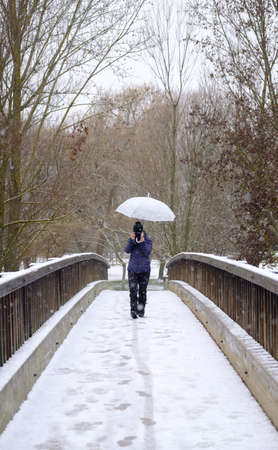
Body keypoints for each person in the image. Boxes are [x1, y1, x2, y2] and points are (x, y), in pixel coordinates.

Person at [125, 221, 152, 319]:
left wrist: (142, 242)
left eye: (138, 231)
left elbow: (147, 252)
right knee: (133, 290)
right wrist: (132, 241)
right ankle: (133, 310)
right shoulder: (131, 239)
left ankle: (140, 311)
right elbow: (127, 250)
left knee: (142, 291)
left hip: (144, 270)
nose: (137, 232)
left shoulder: (147, 240)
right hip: (132, 269)